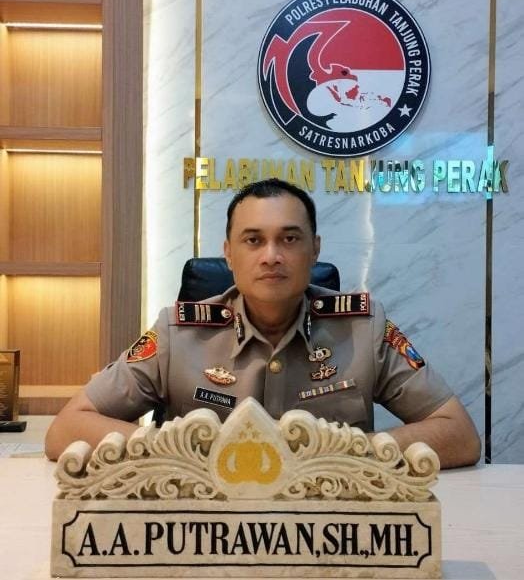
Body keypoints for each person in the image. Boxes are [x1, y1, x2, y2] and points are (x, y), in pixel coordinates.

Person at [45, 178, 481, 468]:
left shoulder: (363, 329)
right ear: (228, 254)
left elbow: (459, 435)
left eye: (289, 239)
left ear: (314, 250)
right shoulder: (179, 333)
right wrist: (182, 452)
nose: (271, 256)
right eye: (253, 240)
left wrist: (344, 454)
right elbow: (67, 428)